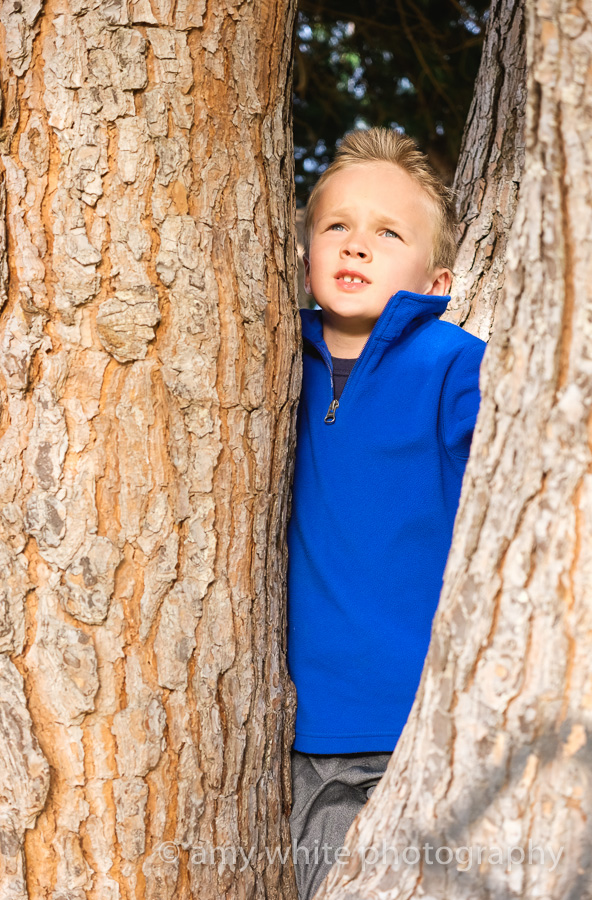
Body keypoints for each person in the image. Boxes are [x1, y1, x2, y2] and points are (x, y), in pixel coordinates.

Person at [286, 127, 486, 900]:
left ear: (437, 281)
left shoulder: (452, 363)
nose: (356, 244)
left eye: (388, 232)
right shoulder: (272, 353)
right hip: (302, 735)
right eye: (337, 225)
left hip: (420, 725)